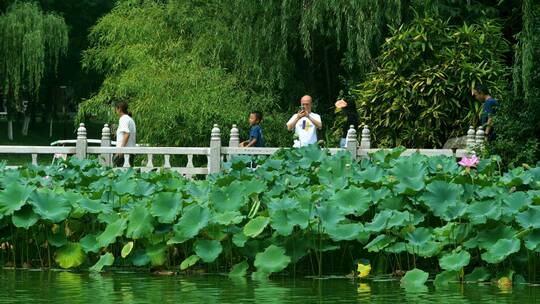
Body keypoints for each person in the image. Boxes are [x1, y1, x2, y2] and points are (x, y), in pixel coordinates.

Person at [113, 101, 137, 167]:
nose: (115, 110)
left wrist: (121, 150)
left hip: (124, 153)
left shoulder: (123, 119)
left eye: (116, 109)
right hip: (130, 152)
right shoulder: (130, 119)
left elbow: (127, 134)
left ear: (119, 109)